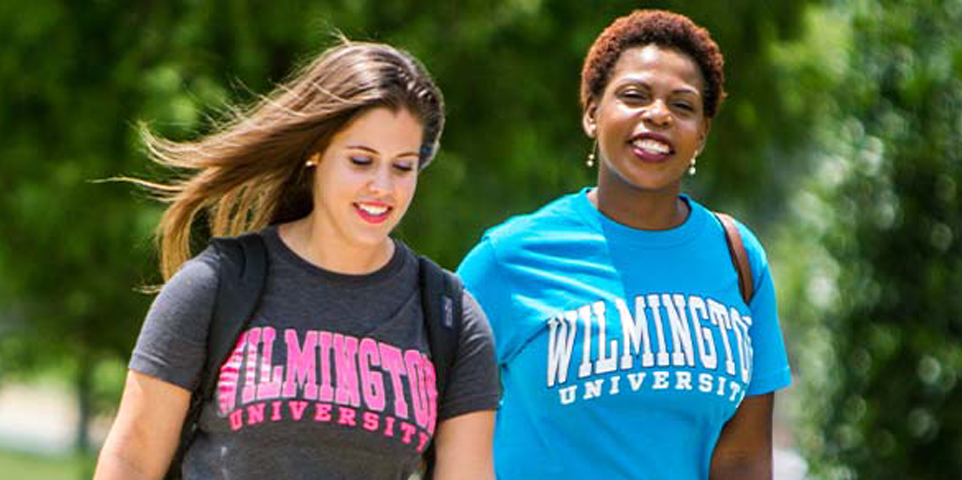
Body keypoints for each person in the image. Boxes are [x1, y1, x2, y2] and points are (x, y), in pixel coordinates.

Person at [95, 40, 499, 480]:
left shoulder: (450, 317)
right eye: (361, 160)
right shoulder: (216, 285)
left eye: (403, 167)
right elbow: (131, 460)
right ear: (315, 150)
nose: (383, 186)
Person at [456, 10, 791, 479]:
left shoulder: (737, 258)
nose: (658, 114)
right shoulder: (509, 259)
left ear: (702, 134)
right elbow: (431, 424)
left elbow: (743, 460)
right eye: (634, 96)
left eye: (683, 106)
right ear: (592, 113)